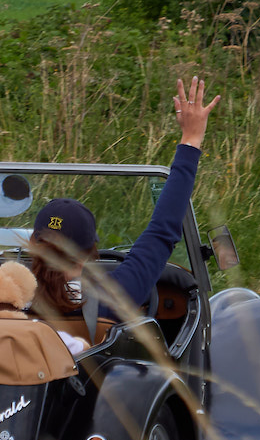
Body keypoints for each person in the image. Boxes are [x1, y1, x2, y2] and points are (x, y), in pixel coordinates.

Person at [29, 76, 219, 338]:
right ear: (89, 253)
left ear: (32, 244)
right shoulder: (116, 295)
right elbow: (163, 231)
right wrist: (191, 137)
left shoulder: (3, 299)